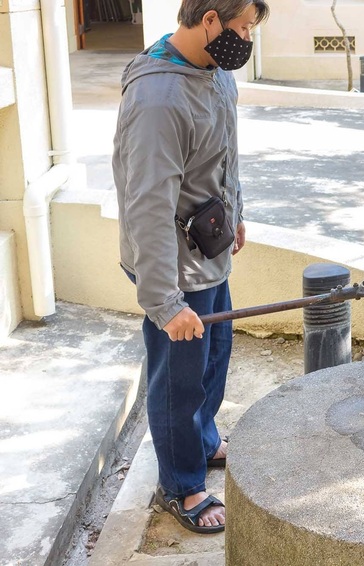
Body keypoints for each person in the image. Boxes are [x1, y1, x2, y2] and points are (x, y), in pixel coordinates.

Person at [112, 0, 269, 534]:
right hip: (172, 266)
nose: (247, 38)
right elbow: (147, 207)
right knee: (178, 381)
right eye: (243, 27)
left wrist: (237, 213)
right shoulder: (157, 99)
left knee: (213, 357)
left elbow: (227, 151)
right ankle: (181, 485)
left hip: (209, 246)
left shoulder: (214, 71)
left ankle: (201, 440)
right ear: (208, 21)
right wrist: (165, 302)